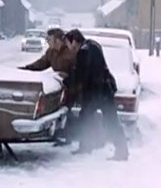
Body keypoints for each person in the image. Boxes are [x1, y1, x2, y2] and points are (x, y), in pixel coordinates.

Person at [64, 29, 129, 161]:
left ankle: (87, 146)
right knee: (110, 119)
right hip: (105, 89)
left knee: (86, 117)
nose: (69, 48)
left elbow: (82, 75)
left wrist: (67, 81)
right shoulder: (93, 45)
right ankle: (121, 150)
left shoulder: (83, 51)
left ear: (74, 41)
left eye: (68, 44)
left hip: (96, 92)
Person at [19, 28, 77, 145]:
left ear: (58, 40)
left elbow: (78, 71)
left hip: (73, 86)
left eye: (49, 40)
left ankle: (71, 136)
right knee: (59, 111)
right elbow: (42, 63)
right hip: (60, 87)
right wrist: (26, 69)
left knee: (68, 110)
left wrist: (69, 80)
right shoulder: (51, 52)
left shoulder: (70, 53)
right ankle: (62, 135)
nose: (47, 42)